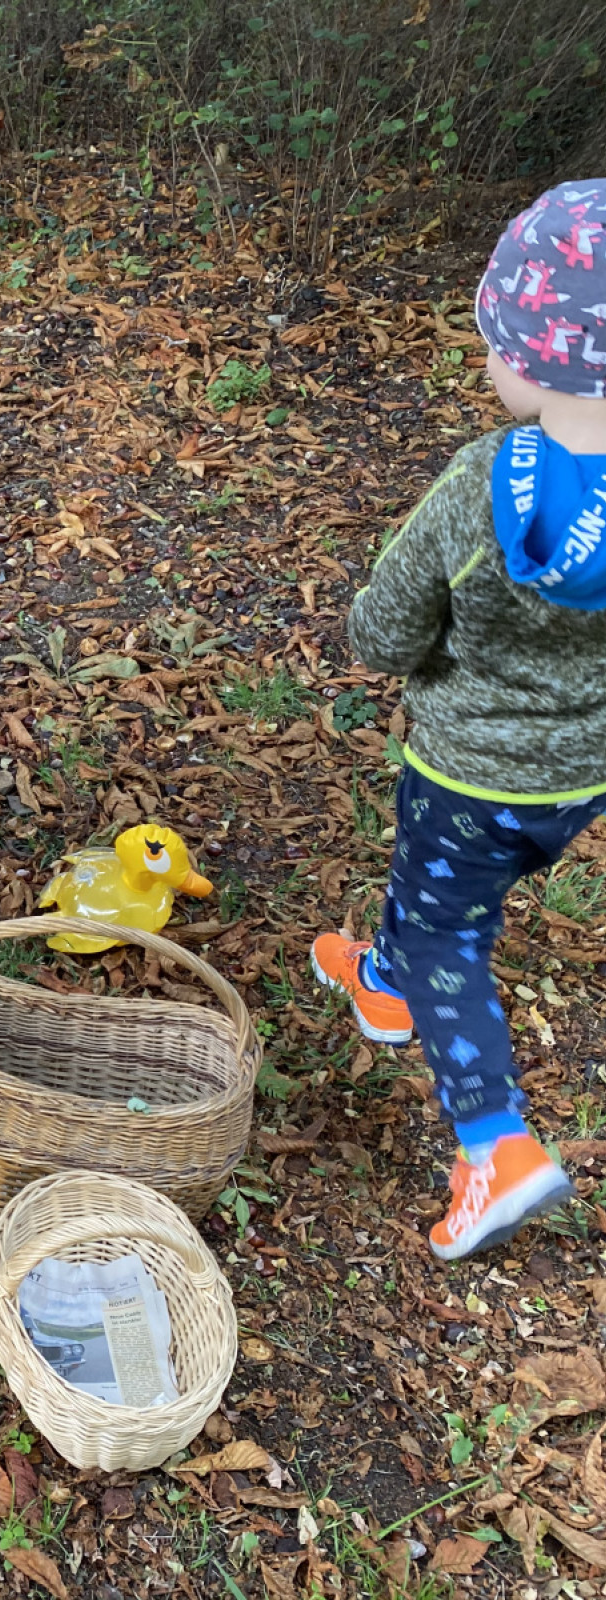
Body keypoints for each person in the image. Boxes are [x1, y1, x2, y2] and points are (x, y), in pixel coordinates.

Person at [311, 177, 606, 1262]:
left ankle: (495, 1142)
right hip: (580, 779)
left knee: (449, 928)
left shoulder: (480, 482)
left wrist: (380, 638)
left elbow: (386, 629)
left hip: (468, 775)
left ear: (534, 359)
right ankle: (383, 981)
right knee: (450, 891)